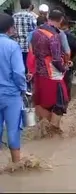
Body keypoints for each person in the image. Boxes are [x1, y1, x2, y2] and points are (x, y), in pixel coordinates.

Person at [30, 8, 70, 134]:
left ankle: (44, 129)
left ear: (48, 18)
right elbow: (57, 60)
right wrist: (65, 69)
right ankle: (53, 132)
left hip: (38, 72)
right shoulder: (54, 36)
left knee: (41, 101)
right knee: (60, 103)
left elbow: (33, 51)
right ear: (61, 20)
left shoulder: (36, 32)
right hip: (52, 75)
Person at [0, 13, 26, 163]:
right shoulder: (12, 46)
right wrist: (23, 88)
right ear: (10, 29)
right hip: (10, 94)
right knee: (13, 129)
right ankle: (16, 165)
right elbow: (18, 72)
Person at [12, 0, 37, 94]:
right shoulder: (32, 17)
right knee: (29, 66)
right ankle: (28, 87)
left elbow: (12, 31)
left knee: (19, 66)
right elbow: (35, 31)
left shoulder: (14, 16)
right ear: (30, 5)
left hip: (17, 46)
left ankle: (21, 86)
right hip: (29, 46)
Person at [60, 18, 76, 99]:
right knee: (66, 85)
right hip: (68, 64)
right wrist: (72, 61)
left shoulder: (55, 35)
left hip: (60, 64)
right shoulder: (73, 37)